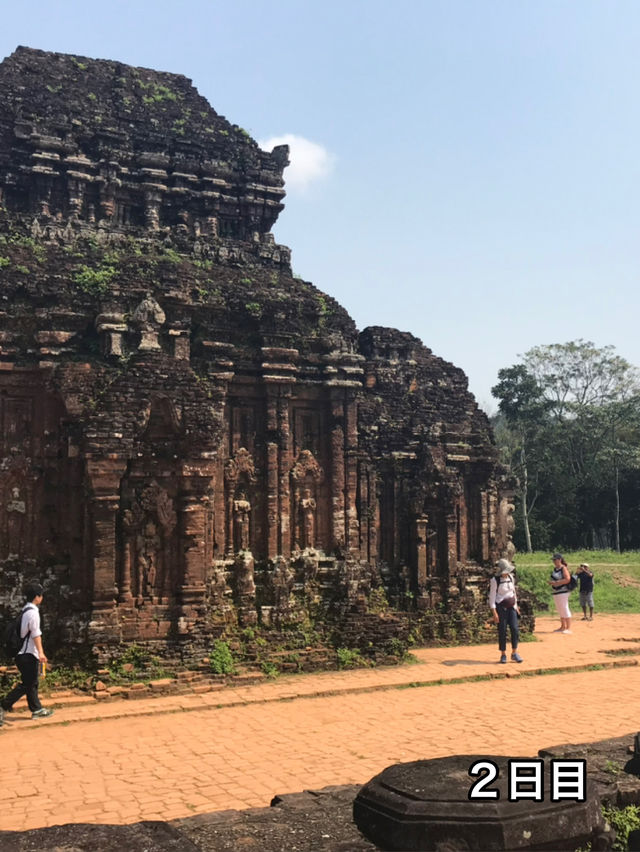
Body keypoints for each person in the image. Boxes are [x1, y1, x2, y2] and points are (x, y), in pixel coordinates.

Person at [1, 581, 54, 720]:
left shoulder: (25, 610)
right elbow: (36, 634)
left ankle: (36, 709)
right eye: (41, 595)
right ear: (37, 597)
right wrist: (41, 652)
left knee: (32, 682)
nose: (41, 598)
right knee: (28, 684)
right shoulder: (33, 613)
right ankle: (3, 705)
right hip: (28, 655)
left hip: (23, 654)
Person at [488, 558, 523, 664]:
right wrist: (494, 612)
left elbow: (513, 592)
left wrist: (516, 605)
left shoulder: (511, 578)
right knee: (502, 630)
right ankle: (503, 654)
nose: (507, 573)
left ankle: (514, 652)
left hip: (511, 607)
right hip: (501, 608)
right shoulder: (495, 581)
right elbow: (492, 597)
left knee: (514, 629)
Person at [549, 553, 572, 634]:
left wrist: (557, 582)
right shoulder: (555, 569)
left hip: (563, 591)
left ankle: (568, 627)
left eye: (555, 560)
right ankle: (562, 626)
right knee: (560, 609)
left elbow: (567, 579)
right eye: (553, 560)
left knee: (564, 608)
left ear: (560, 560)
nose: (554, 561)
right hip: (556, 591)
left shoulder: (563, 568)